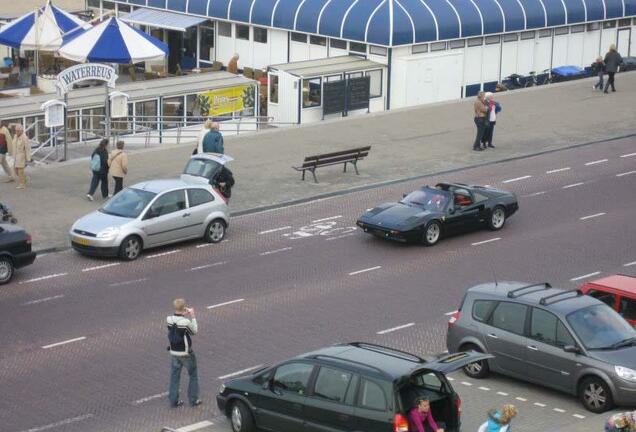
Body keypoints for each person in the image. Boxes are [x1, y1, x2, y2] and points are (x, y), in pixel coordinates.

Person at [167, 298, 201, 408]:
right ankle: (193, 399)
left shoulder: (168, 319)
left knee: (174, 377)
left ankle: (173, 401)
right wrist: (193, 316)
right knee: (193, 374)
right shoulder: (185, 322)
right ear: (184, 307)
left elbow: (176, 325)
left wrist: (183, 314)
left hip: (174, 352)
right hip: (186, 353)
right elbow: (194, 331)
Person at [13, 124, 31, 189]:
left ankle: (22, 185)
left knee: (20, 171)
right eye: (16, 130)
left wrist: (28, 158)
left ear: (21, 130)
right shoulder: (15, 136)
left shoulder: (25, 138)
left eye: (18, 131)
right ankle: (25, 178)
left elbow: (27, 148)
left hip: (21, 157)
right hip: (15, 156)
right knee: (16, 171)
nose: (16, 132)